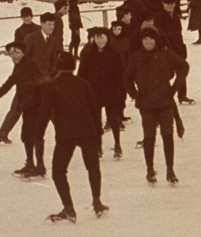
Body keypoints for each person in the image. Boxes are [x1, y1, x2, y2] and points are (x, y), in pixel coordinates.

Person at [46, 52, 108, 222]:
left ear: (57, 67)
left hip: (66, 134)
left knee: (58, 171)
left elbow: (44, 113)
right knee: (92, 167)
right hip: (87, 132)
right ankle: (97, 202)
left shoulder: (53, 85)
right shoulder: (82, 83)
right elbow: (95, 109)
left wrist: (38, 136)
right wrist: (99, 135)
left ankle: (68, 208)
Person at [125, 27, 189, 185]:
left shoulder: (165, 54)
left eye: (151, 39)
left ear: (156, 40)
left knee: (167, 135)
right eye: (145, 39)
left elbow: (183, 66)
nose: (148, 42)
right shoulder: (136, 57)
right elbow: (127, 77)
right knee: (149, 136)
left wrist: (174, 88)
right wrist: (134, 94)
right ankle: (150, 169)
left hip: (165, 101)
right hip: (146, 104)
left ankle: (170, 170)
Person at [18, 12, 62, 179]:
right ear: (42, 24)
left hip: (44, 89)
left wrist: (51, 78)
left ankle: (40, 165)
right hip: (29, 88)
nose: (51, 27)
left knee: (39, 126)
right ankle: (30, 162)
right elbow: (23, 60)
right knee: (27, 127)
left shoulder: (53, 41)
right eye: (49, 24)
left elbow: (53, 62)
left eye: (53, 24)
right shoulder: (31, 38)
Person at [78, 26, 127, 158]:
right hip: (94, 93)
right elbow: (82, 75)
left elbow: (120, 75)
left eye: (103, 37)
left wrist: (121, 93)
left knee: (114, 118)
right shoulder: (87, 54)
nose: (100, 41)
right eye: (97, 38)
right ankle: (98, 146)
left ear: (107, 38)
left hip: (111, 92)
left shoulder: (114, 54)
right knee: (96, 121)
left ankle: (117, 144)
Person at [0, 7, 38, 145]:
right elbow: (16, 51)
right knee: (17, 105)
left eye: (28, 16)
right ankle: (2, 134)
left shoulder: (38, 29)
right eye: (24, 17)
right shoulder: (19, 31)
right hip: (25, 71)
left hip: (37, 70)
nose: (27, 19)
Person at [153, 0, 194, 105]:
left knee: (181, 72)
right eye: (167, 4)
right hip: (165, 50)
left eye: (172, 4)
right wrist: (164, 48)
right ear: (163, 5)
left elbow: (179, 34)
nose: (170, 6)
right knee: (165, 74)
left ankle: (182, 96)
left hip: (178, 49)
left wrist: (182, 48)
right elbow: (158, 35)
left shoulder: (176, 16)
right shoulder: (159, 17)